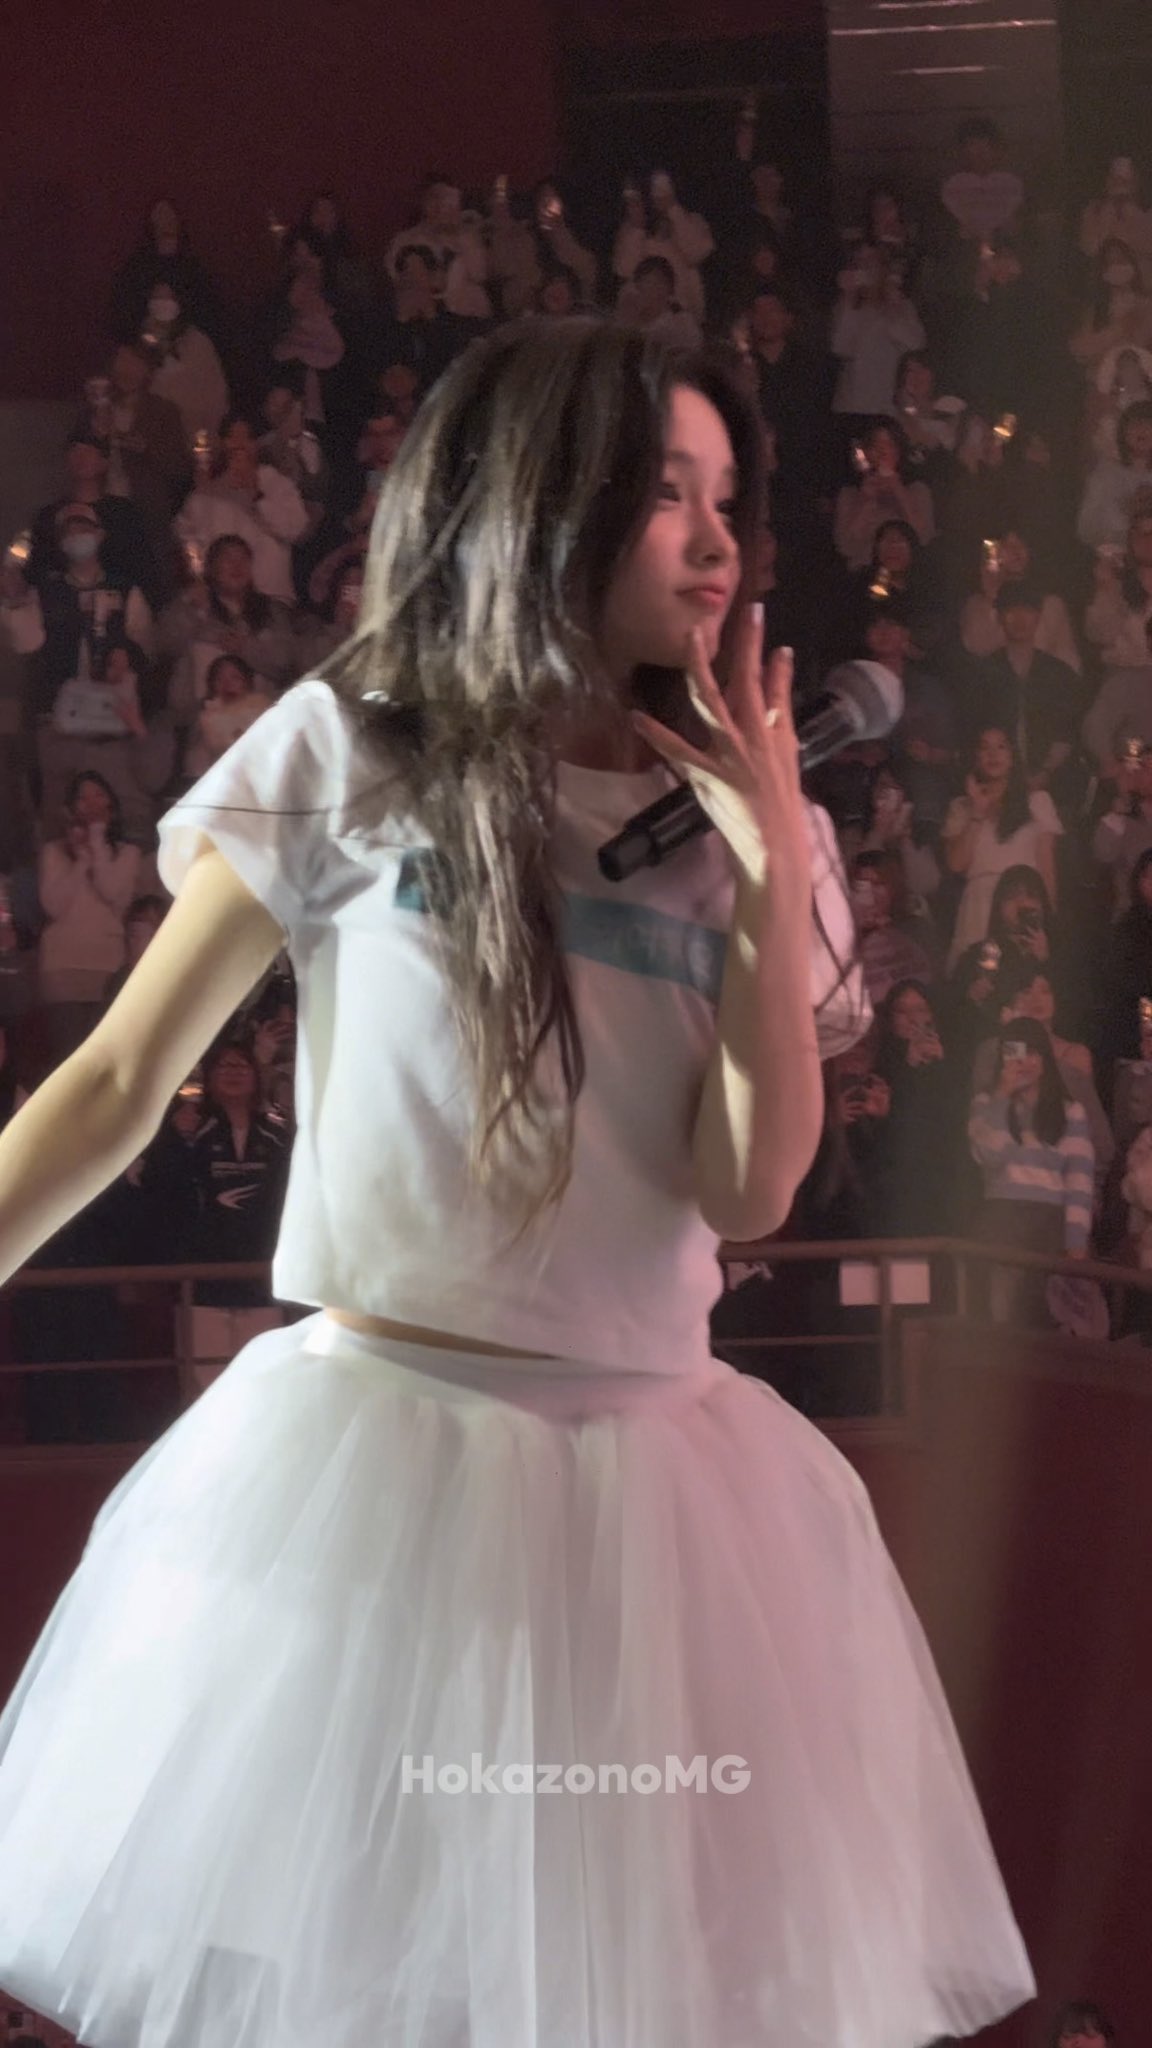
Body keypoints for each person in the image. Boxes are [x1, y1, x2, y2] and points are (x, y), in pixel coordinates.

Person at [0, 322, 1033, 2048]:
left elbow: (752, 1187)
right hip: (372, 1463)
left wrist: (766, 869)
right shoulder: (350, 752)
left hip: (661, 1500)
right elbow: (113, 1084)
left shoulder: (756, 832)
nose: (715, 540)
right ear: (537, 500)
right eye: (666, 493)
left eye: (727, 499)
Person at [968, 1019, 1094, 1324]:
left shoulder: (1070, 1111)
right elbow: (988, 1155)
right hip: (1002, 1218)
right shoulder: (985, 1103)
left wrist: (1076, 1241)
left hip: (1048, 1223)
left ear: (1045, 1058)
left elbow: (1079, 1180)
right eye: (1015, 1052)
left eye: (1032, 1053)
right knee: (1003, 1316)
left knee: (1045, 1317)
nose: (1024, 1062)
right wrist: (1002, 1095)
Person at [36, 772, 141, 1067]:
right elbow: (54, 906)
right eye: (82, 797)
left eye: (98, 795)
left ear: (112, 806)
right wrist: (81, 860)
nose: (91, 803)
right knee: (68, 1060)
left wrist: (96, 843)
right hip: (62, 968)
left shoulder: (128, 853)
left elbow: (112, 891)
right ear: (71, 808)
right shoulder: (53, 852)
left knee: (106, 1059)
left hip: (107, 966)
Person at [943, 727, 1061, 969]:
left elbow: (1047, 868)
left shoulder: (1037, 801)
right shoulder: (961, 807)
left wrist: (1048, 921)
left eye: (1001, 747)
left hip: (1022, 900)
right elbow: (956, 864)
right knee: (976, 977)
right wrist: (977, 811)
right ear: (975, 756)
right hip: (979, 905)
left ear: (1012, 756)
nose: (993, 754)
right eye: (985, 747)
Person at [158, 533, 298, 736]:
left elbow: (286, 663)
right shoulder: (187, 607)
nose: (237, 565)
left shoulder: (272, 612)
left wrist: (247, 648)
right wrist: (194, 611)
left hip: (260, 723)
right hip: (202, 726)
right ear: (211, 567)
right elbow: (165, 647)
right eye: (228, 559)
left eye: (243, 559)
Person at [966, 582, 1087, 804]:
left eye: (1027, 611)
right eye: (1011, 611)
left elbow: (1068, 732)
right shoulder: (982, 674)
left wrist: (1045, 773)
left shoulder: (1060, 674)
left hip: (1054, 780)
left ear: (1038, 617)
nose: (1020, 619)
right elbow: (974, 732)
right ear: (1000, 617)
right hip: (995, 781)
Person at [175, 415, 308, 606]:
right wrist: (199, 579)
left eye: (246, 437)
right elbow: (188, 541)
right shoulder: (205, 494)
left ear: (257, 444)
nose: (239, 444)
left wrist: (257, 495)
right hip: (221, 606)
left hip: (271, 600)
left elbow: (295, 529)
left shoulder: (277, 484)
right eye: (232, 437)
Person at [960, 528, 1081, 674]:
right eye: (1007, 545)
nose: (1015, 551)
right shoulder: (977, 604)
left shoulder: (1051, 605)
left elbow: (1069, 662)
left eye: (1021, 543)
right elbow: (975, 647)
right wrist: (992, 599)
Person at [830, 245, 926, 425]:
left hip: (887, 409)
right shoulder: (846, 306)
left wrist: (891, 307)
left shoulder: (903, 306)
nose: (865, 268)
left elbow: (916, 345)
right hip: (851, 408)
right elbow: (841, 348)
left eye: (871, 262)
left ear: (884, 269)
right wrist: (849, 298)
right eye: (859, 263)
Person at [833, 421, 935, 572]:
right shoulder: (849, 494)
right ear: (865, 452)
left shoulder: (918, 491)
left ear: (899, 451)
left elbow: (923, 538)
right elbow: (846, 547)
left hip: (907, 576)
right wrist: (865, 501)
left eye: (889, 445)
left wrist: (898, 490)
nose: (883, 452)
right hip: (864, 573)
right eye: (875, 445)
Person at [143, 286, 230, 442]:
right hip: (153, 437)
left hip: (194, 436)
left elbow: (216, 393)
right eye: (157, 298)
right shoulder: (140, 344)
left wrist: (209, 435)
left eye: (168, 298)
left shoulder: (198, 343)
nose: (162, 304)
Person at [1077, 398, 1152, 551]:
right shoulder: (1106, 474)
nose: (1142, 429)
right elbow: (1086, 528)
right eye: (1134, 424)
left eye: (1149, 424)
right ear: (1123, 432)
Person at [1084, 502, 1152, 666]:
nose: (1147, 541)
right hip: (1126, 672)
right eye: (1140, 533)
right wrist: (1106, 587)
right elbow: (1100, 635)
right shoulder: (1116, 584)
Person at [940, 119, 1024, 245]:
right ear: (962, 151)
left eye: (986, 145)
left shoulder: (1012, 184)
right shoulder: (952, 187)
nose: (980, 152)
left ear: (997, 150)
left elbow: (1025, 229)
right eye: (973, 145)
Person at [1080, 155, 1152, 289]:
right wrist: (1108, 213)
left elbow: (1147, 246)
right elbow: (1090, 248)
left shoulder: (1147, 213)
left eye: (1125, 181)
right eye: (1115, 180)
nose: (1120, 185)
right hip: (1105, 289)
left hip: (1144, 287)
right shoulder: (1094, 211)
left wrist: (1130, 213)